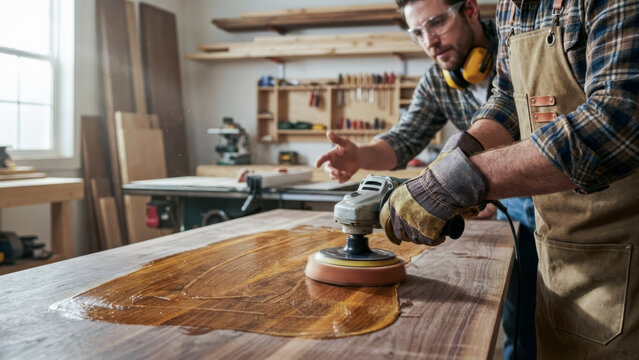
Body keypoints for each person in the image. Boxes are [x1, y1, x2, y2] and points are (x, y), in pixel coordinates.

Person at [379, 0, 639, 358]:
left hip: (628, 247)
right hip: (561, 247)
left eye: (436, 23)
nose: (430, 40)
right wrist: (459, 153)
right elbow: (506, 101)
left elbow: (618, 120)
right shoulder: (510, 8)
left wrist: (460, 180)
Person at [315, 0, 536, 358]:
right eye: (417, 32)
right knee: (520, 311)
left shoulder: (519, 44)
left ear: (469, 10)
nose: (429, 41)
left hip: (560, 190)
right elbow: (403, 140)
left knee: (555, 312)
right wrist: (359, 157)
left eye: (436, 23)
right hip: (505, 198)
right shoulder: (437, 81)